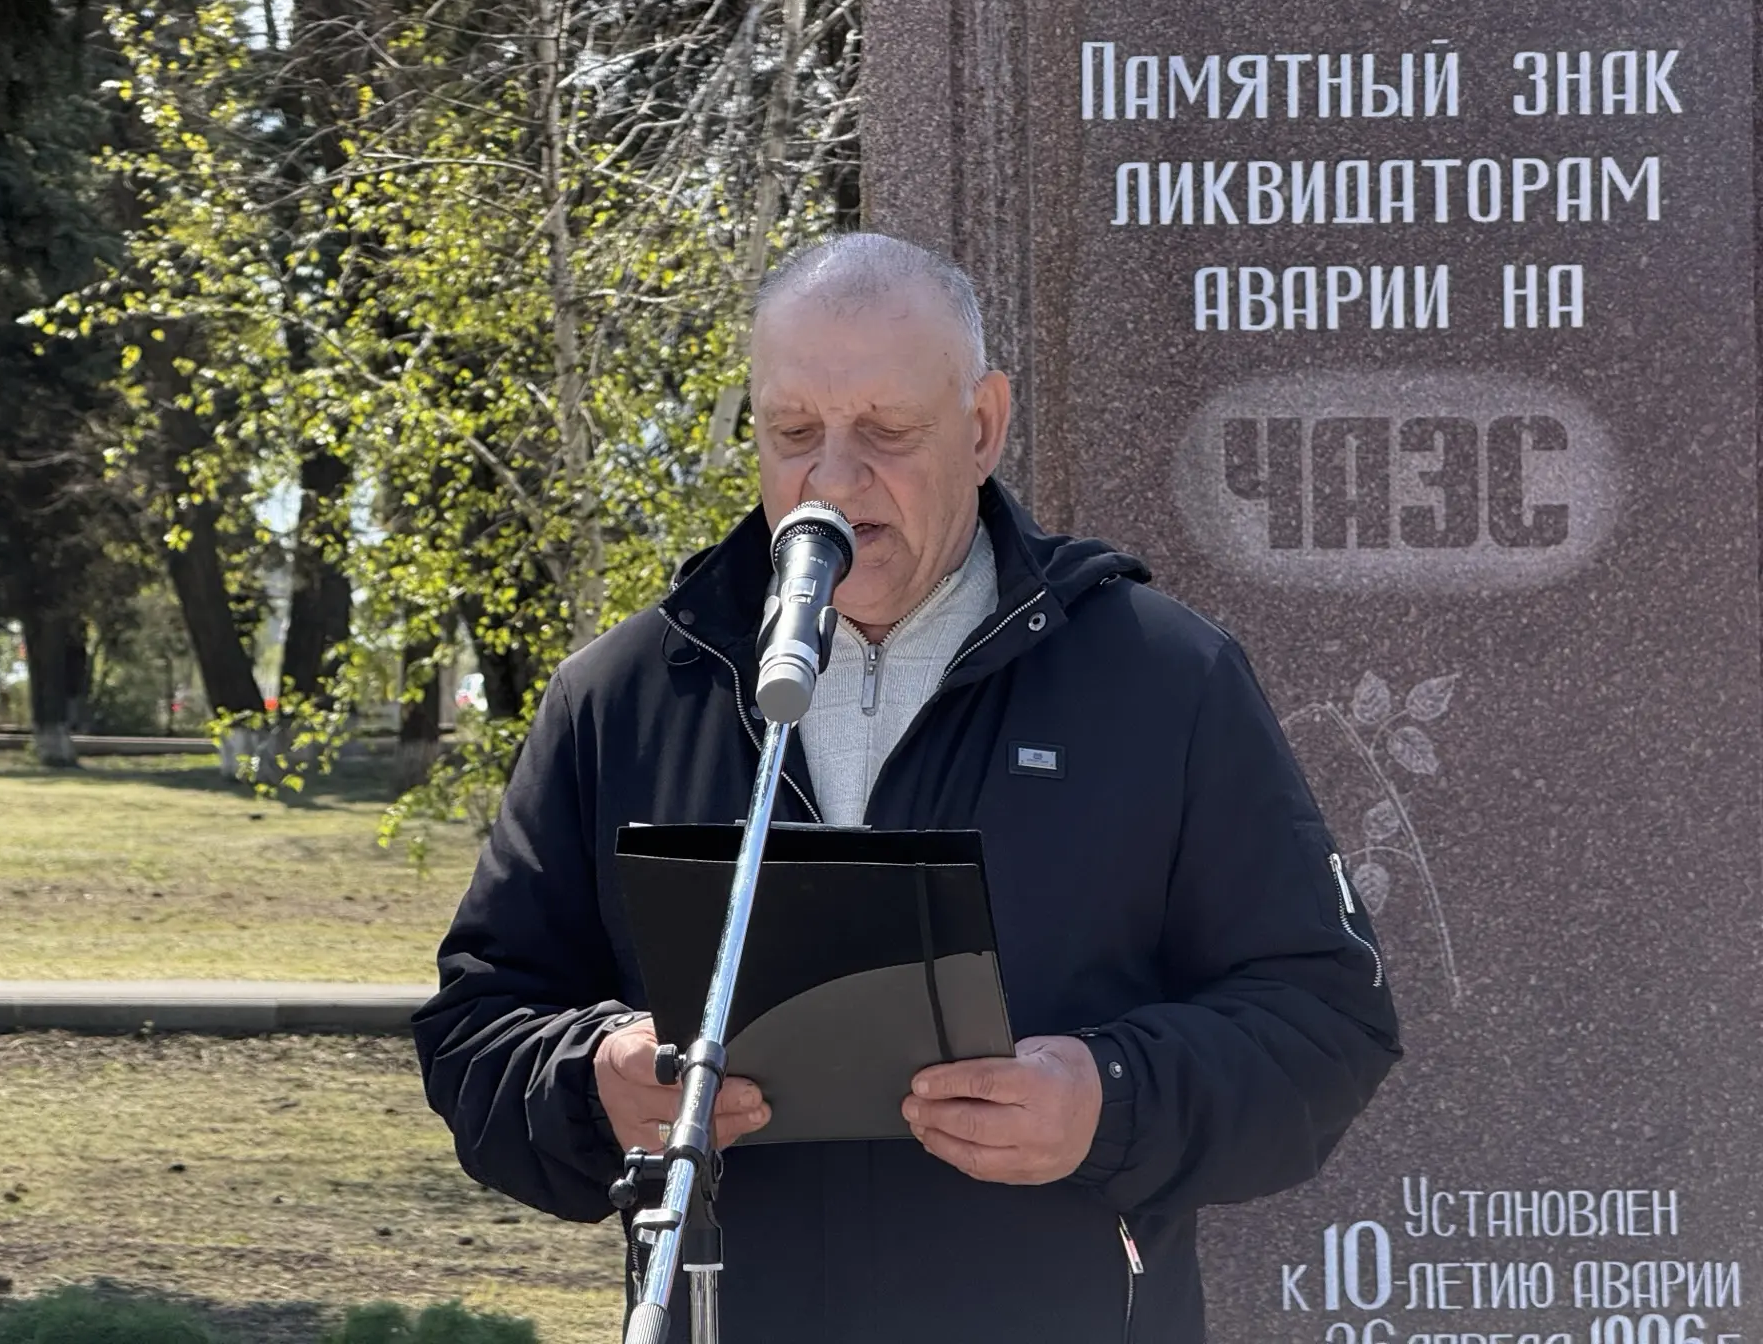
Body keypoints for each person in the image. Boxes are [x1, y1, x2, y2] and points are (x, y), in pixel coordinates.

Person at [413, 233, 1401, 1343]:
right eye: (794, 434)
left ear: (982, 426)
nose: (833, 481)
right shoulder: (628, 694)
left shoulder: (1161, 680)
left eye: (886, 432)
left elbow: (1325, 1023)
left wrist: (1111, 1101)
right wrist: (594, 1084)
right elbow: (476, 1030)